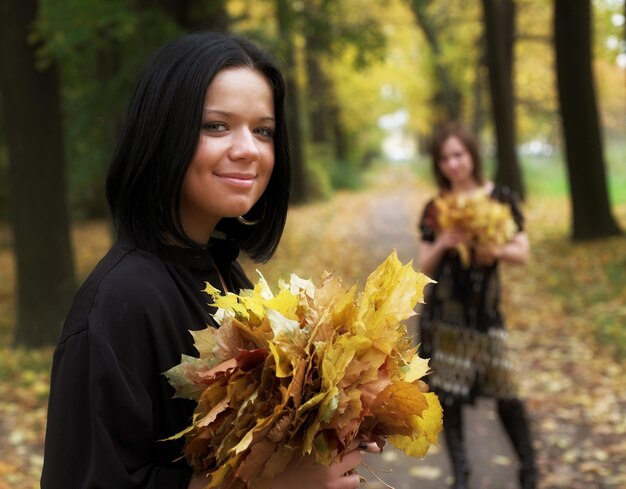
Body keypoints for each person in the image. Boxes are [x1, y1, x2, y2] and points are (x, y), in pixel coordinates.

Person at [41, 32, 378, 489]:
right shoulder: (121, 302)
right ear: (162, 134)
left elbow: (239, 439)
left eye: (263, 130)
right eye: (216, 126)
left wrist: (325, 425)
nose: (248, 149)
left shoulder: (222, 271)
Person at [417, 122, 537, 489]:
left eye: (459, 155)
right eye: (445, 158)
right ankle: (461, 474)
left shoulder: (499, 197)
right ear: (438, 164)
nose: (453, 164)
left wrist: (492, 249)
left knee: (507, 392)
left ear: (471, 155)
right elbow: (423, 266)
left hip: (485, 315)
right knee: (448, 399)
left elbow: (523, 252)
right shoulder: (436, 208)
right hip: (444, 316)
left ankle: (529, 471)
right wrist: (444, 242)